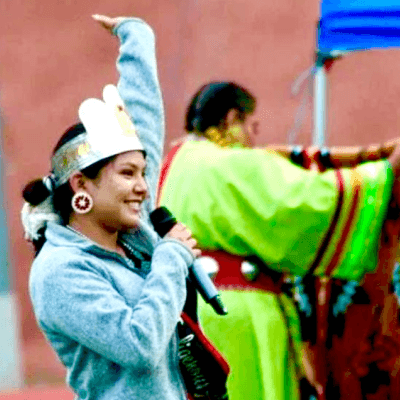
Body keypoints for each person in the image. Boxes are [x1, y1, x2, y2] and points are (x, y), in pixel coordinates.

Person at [157, 81, 400, 400]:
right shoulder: (230, 164)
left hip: (185, 316)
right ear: (231, 119)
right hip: (238, 314)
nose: (253, 138)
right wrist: (382, 174)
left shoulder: (172, 165)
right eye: (251, 126)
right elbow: (305, 203)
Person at [21, 15, 201, 400]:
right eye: (128, 174)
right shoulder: (59, 270)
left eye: (143, 173)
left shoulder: (133, 239)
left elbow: (144, 120)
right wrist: (171, 257)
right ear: (81, 185)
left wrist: (137, 38)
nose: (142, 187)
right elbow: (138, 346)